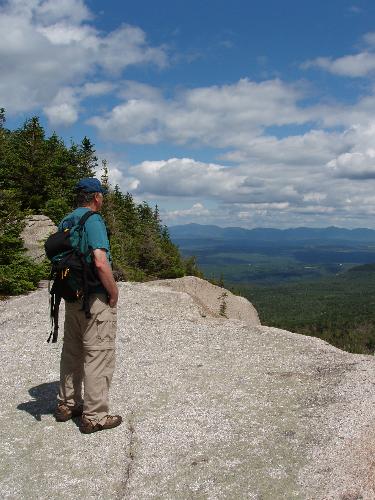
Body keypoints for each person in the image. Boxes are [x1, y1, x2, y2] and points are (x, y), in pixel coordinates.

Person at [54, 177, 122, 434]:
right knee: (98, 353)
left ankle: (67, 404)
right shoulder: (92, 220)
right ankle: (94, 416)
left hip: (72, 295)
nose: (102, 199)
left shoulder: (66, 220)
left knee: (72, 350)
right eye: (101, 196)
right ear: (96, 197)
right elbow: (100, 260)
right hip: (93, 297)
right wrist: (113, 292)